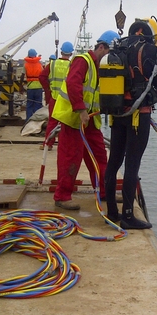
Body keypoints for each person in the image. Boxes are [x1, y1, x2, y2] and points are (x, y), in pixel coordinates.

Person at [104, 19, 157, 229]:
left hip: (117, 113)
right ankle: (128, 215)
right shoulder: (149, 49)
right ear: (146, 32)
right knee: (132, 164)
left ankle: (112, 211)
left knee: (114, 161)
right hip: (138, 114)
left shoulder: (118, 47)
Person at [52, 31, 119, 210]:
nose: (110, 58)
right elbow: (73, 84)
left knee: (99, 157)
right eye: (109, 53)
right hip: (73, 119)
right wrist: (81, 109)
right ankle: (62, 196)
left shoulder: (99, 67)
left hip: (89, 121)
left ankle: (105, 192)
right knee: (70, 158)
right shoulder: (83, 61)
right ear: (101, 47)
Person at [38, 43, 73, 150]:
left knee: (52, 122)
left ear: (61, 52)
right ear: (71, 53)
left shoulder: (52, 64)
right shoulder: (72, 65)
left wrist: (48, 89)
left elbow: (42, 77)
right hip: (67, 99)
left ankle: (48, 144)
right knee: (67, 123)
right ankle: (65, 145)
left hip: (54, 97)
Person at [24, 48, 43, 120]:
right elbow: (43, 75)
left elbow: (23, 75)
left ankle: (28, 121)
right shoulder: (39, 64)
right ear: (35, 55)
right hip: (38, 88)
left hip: (30, 87)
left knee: (29, 105)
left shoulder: (26, 65)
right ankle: (37, 121)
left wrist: (20, 86)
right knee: (38, 105)